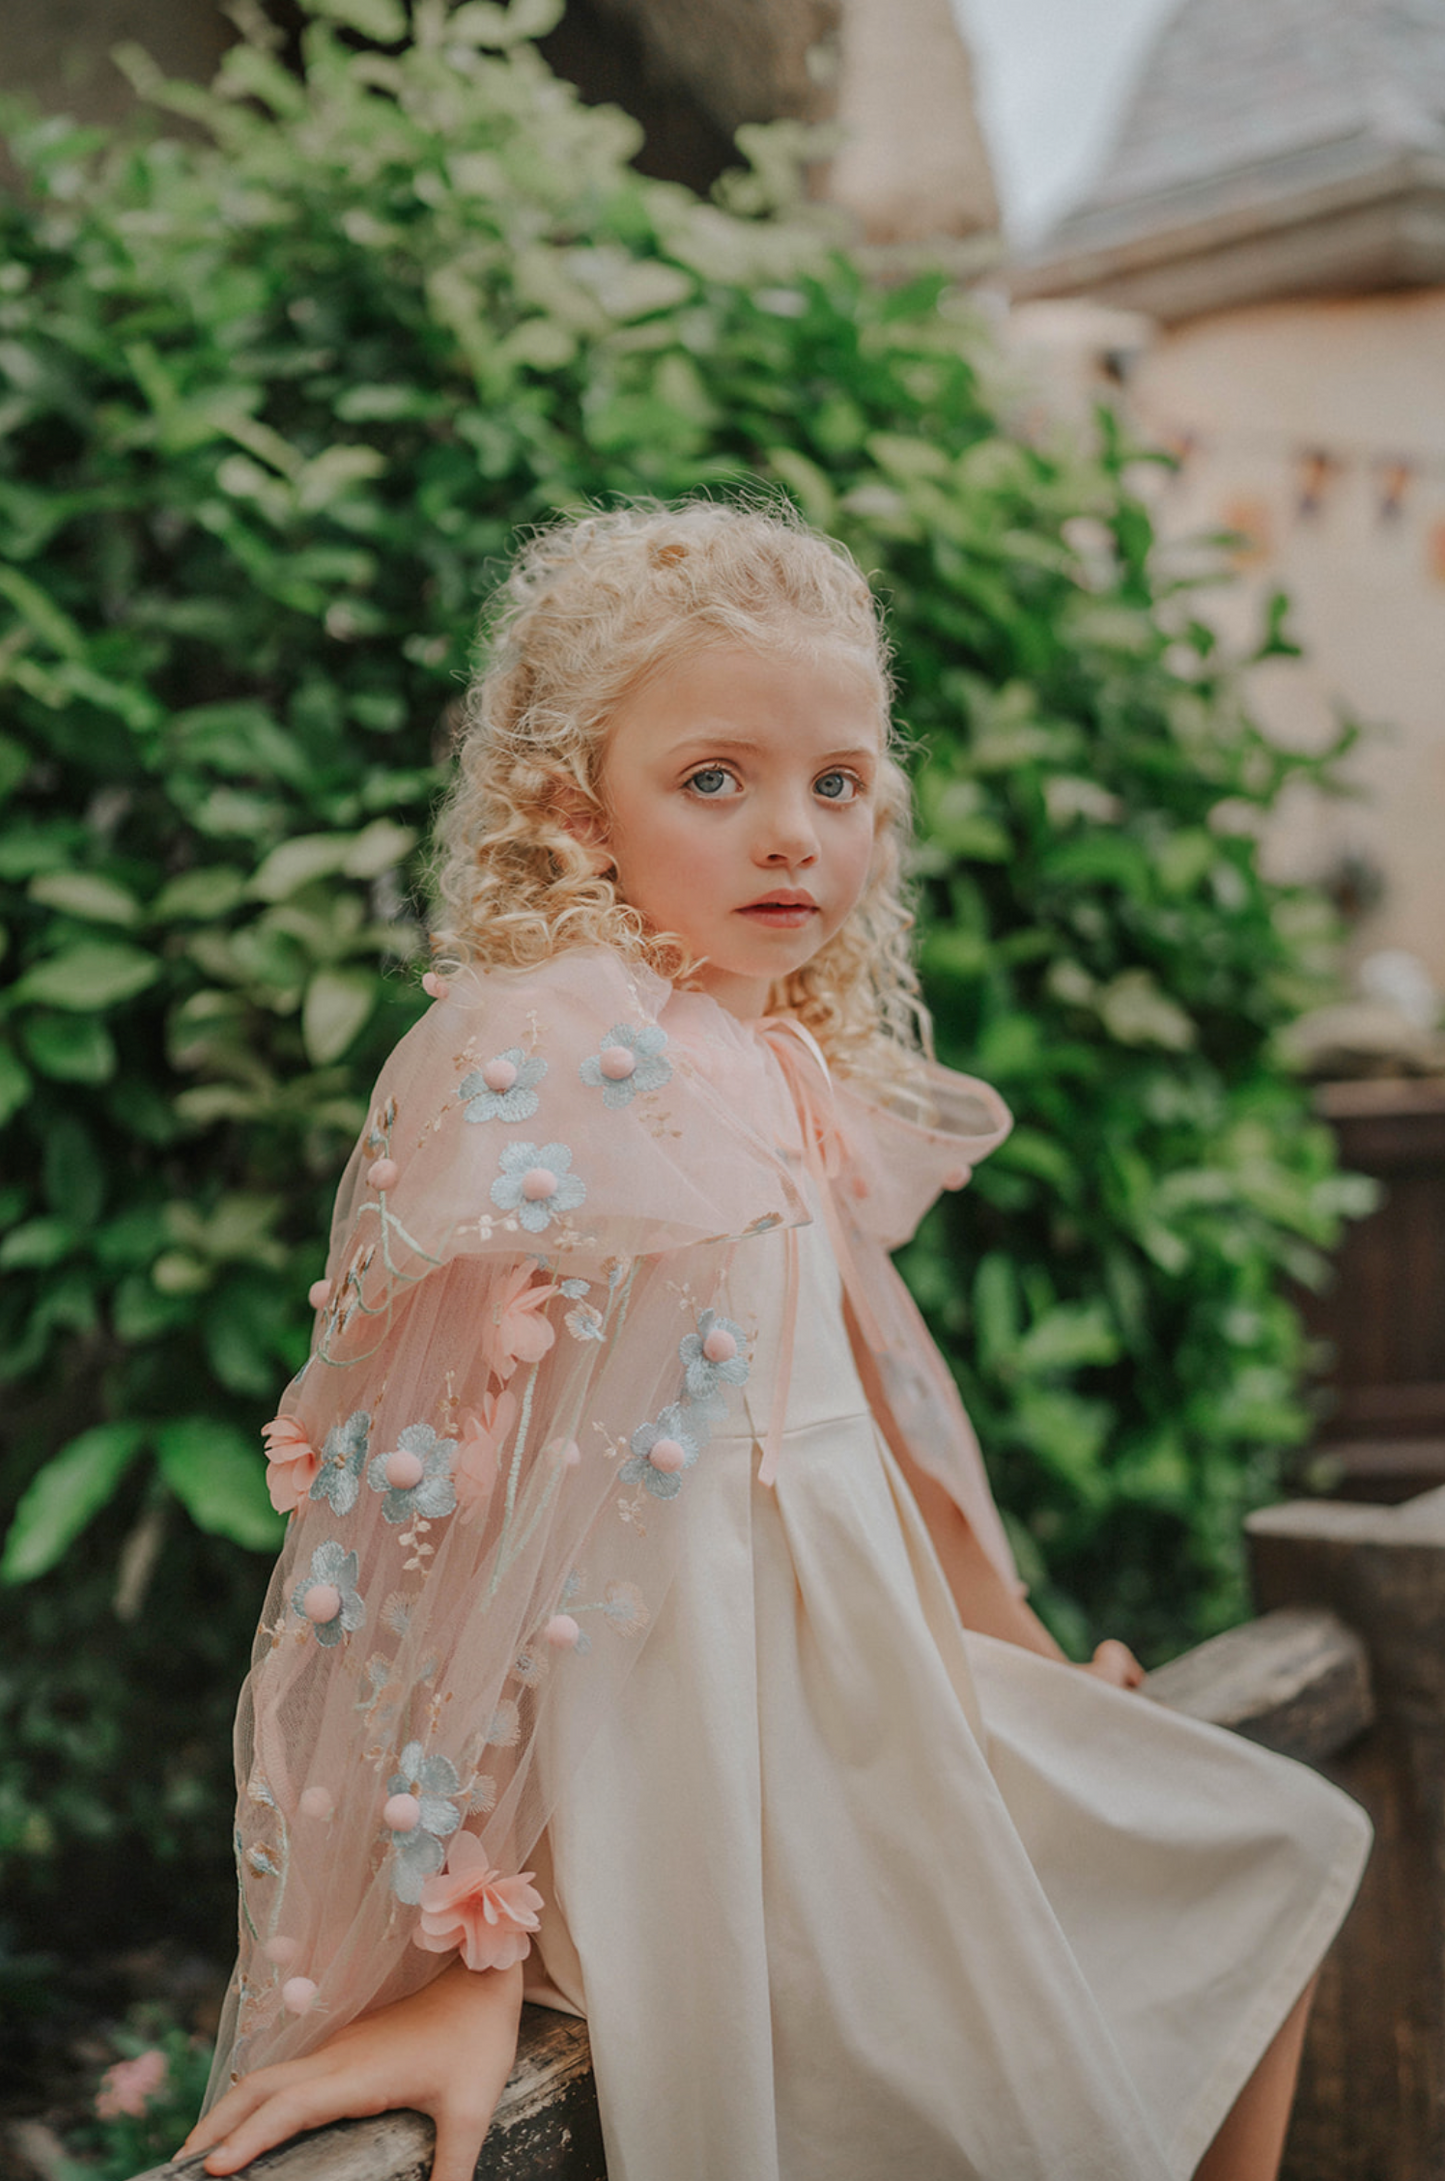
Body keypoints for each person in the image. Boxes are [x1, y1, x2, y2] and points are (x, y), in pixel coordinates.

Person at [182, 498, 1370, 2181]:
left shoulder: (777, 1066)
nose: (793, 836)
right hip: (692, 1762)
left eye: (840, 783)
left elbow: (878, 1414)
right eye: (716, 779)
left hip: (872, 1696)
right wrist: (467, 1960)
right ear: (569, 803)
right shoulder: (542, 1054)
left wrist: (1018, 1642)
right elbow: (442, 1534)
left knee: (1268, 1840)